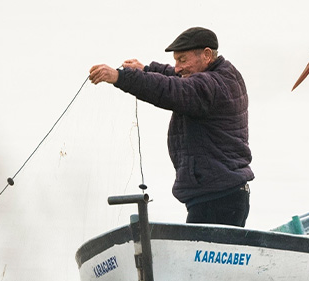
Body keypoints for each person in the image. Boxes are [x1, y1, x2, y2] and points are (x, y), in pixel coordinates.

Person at [89, 27, 254, 227]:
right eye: (176, 60)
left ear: (207, 54)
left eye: (182, 60)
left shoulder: (210, 86)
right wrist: (147, 70)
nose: (177, 67)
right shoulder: (224, 73)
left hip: (217, 200)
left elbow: (170, 89)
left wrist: (119, 77)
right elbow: (177, 78)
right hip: (223, 194)